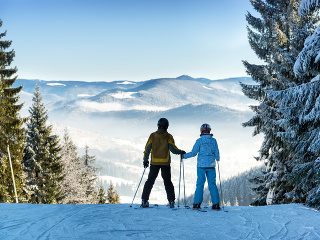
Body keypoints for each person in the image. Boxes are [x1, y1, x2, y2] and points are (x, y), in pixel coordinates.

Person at [141, 118, 185, 208]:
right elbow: (173, 149)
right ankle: (171, 201)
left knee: (150, 181)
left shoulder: (152, 136)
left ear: (158, 125)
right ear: (167, 126)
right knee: (167, 181)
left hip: (154, 163)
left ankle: (144, 200)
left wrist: (145, 160)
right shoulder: (169, 136)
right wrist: (181, 152)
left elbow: (147, 149)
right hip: (165, 163)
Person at [182, 123, 221, 210]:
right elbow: (217, 154)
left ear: (201, 131)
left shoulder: (199, 141)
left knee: (200, 184)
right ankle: (216, 204)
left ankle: (197, 204)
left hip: (201, 166)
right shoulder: (213, 140)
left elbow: (193, 153)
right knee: (212, 185)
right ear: (209, 131)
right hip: (211, 166)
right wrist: (217, 158)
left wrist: (183, 156)